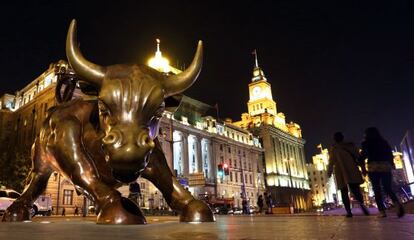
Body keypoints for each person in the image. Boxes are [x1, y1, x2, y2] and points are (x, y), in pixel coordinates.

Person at [359, 127, 405, 218]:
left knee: (377, 190)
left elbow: (362, 157)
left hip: (373, 168)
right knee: (388, 188)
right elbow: (389, 154)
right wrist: (392, 165)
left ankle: (382, 211)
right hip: (385, 166)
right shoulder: (383, 142)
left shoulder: (366, 143)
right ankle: (397, 203)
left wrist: (363, 169)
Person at [327, 132, 369, 217]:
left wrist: (329, 172)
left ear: (335, 139)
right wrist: (363, 168)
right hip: (352, 168)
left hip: (340, 171)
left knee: (344, 191)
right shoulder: (351, 146)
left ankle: (348, 211)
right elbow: (359, 157)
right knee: (355, 189)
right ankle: (362, 204)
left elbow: (331, 161)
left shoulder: (334, 148)